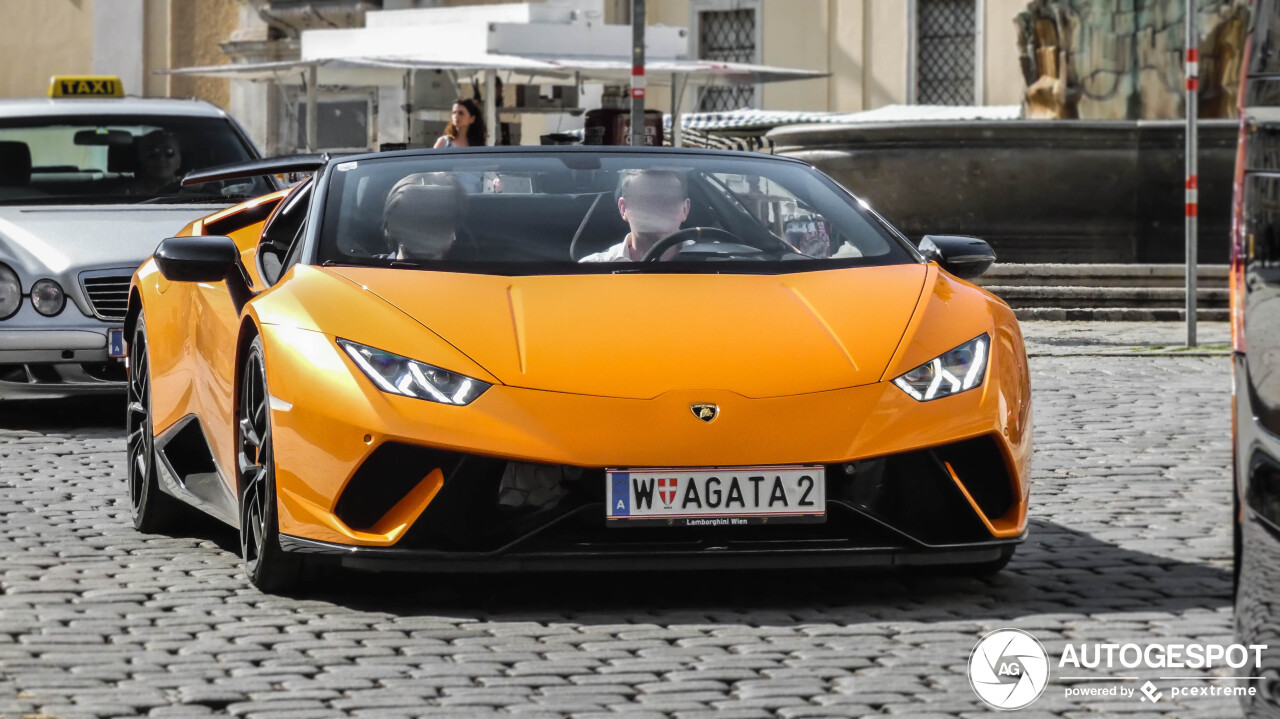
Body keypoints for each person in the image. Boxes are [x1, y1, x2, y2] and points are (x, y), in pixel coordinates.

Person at [580, 169, 690, 262]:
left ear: (685, 209)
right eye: (645, 200)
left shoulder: (706, 260)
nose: (656, 207)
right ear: (623, 208)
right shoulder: (588, 271)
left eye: (668, 200)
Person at [379, 172, 465, 261]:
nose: (425, 235)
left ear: (453, 231)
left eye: (438, 221)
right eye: (413, 220)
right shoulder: (366, 269)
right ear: (389, 226)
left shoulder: (471, 273)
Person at [132, 130, 183, 195]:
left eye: (169, 152)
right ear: (142, 159)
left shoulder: (190, 192)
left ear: (178, 160)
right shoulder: (125, 195)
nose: (161, 159)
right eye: (153, 153)